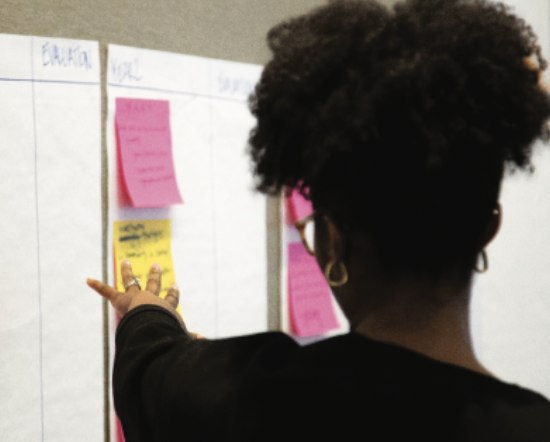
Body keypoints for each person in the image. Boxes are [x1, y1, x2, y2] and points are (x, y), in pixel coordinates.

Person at [87, 0, 550, 440]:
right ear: (488, 227)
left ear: (333, 240)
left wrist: (146, 310)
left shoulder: (248, 401)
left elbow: (149, 372)